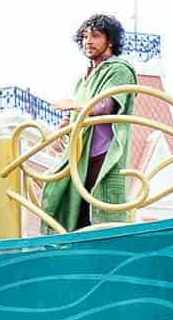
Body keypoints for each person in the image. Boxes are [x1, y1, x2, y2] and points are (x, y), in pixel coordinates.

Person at [38, 13, 139, 232]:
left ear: (110, 40)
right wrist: (61, 129)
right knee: (73, 208)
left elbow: (105, 108)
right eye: (84, 36)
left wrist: (73, 106)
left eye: (95, 35)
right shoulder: (82, 79)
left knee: (101, 215)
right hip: (80, 154)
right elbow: (72, 116)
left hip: (104, 155)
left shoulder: (119, 69)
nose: (88, 41)